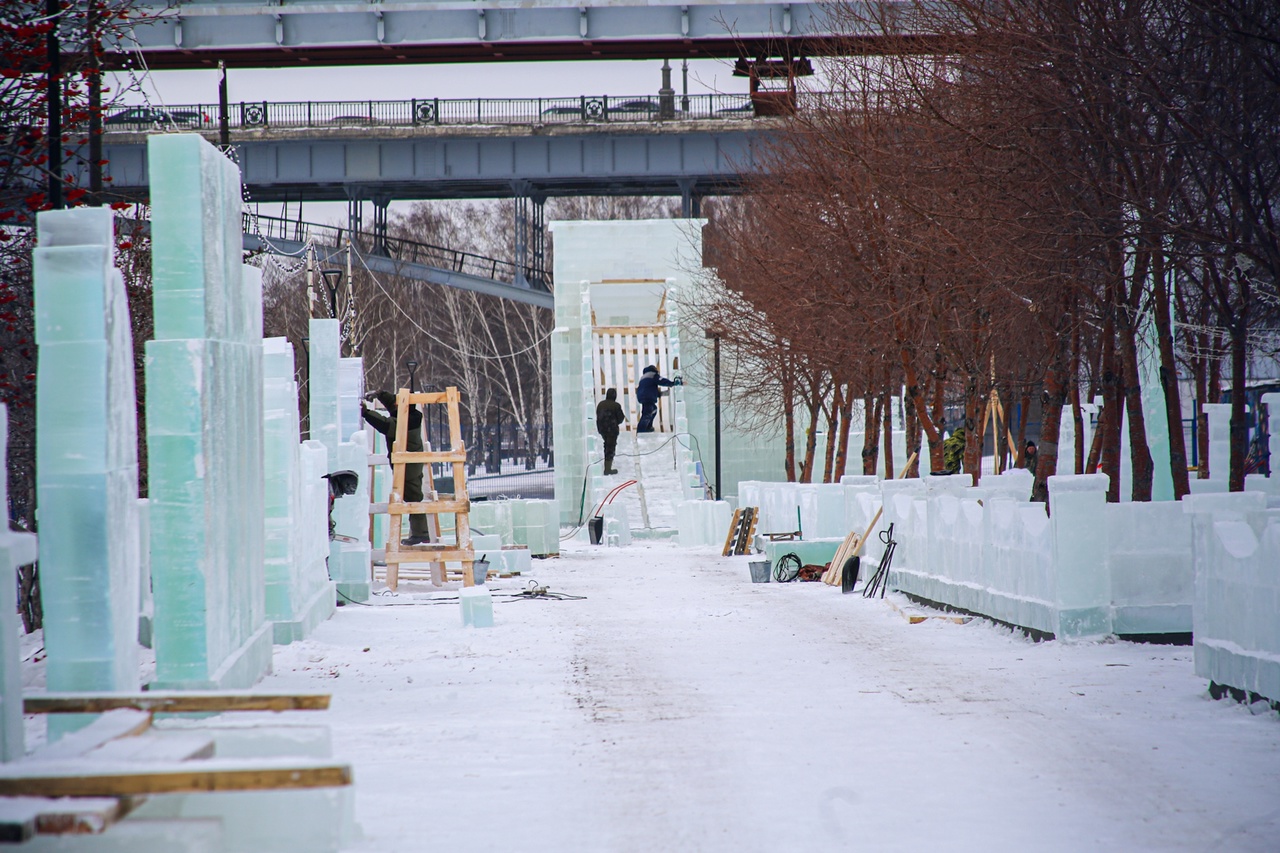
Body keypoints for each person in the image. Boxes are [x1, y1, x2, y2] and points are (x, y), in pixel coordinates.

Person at [361, 390, 431, 546]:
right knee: (412, 496)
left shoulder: (408, 420)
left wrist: (366, 413)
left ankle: (421, 533)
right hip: (408, 464)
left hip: (409, 466)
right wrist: (379, 394)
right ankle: (420, 533)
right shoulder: (408, 413)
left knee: (413, 498)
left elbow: (386, 425)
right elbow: (394, 404)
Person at [635, 365, 676, 433]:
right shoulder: (653, 375)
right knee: (647, 414)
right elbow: (662, 381)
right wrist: (672, 383)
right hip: (647, 397)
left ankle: (648, 427)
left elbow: (651, 389)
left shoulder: (644, 378)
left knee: (653, 410)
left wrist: (662, 394)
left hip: (643, 396)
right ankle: (641, 432)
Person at [595, 387, 626, 474]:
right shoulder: (616, 405)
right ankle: (607, 469)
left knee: (607, 445)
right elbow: (621, 418)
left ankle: (607, 466)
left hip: (602, 429)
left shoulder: (600, 404)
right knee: (610, 447)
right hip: (612, 430)